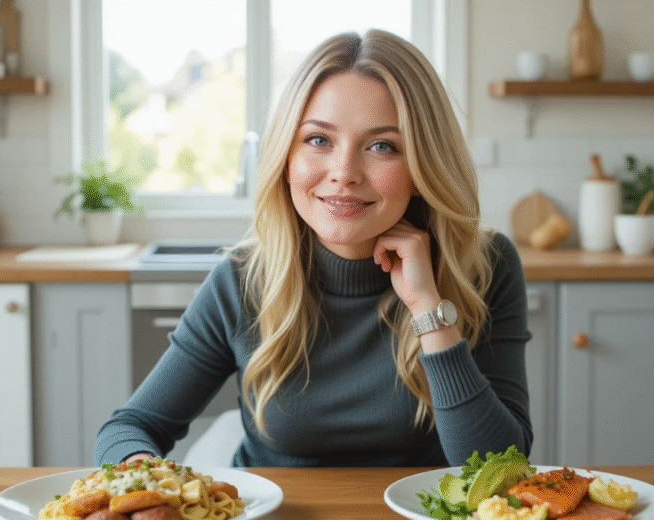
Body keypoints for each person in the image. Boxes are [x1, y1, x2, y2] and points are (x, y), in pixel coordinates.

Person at [95, 29, 532, 468]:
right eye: (318, 140)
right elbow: (128, 429)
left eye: (383, 146)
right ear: (287, 157)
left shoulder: (484, 265)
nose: (344, 173)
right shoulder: (243, 280)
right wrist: (145, 483)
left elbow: (501, 470)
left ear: (422, 167)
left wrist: (428, 309)